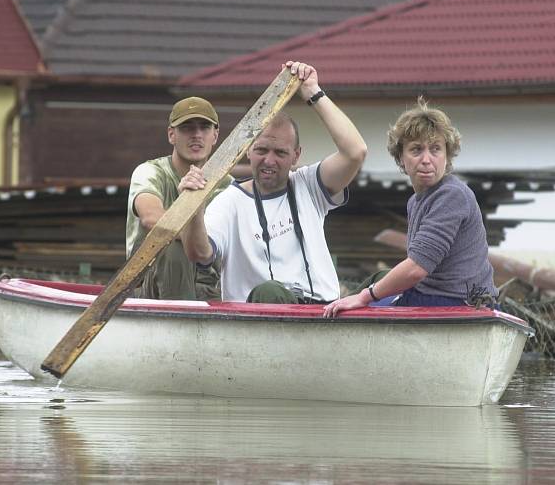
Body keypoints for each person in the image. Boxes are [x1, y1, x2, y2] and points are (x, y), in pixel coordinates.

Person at [179, 61, 367, 303]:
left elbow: (356, 152)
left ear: (296, 156)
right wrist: (193, 208)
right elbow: (199, 254)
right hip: (263, 315)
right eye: (262, 150)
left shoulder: (308, 185)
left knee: (384, 281)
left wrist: (313, 93)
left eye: (280, 153)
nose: (269, 160)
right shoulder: (230, 201)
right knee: (270, 291)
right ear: (247, 150)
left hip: (321, 311)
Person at [323, 97, 497, 317]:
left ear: (447, 155)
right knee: (373, 291)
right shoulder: (416, 201)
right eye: (416, 150)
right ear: (401, 157)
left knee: (361, 308)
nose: (426, 159)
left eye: (436, 149)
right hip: (436, 296)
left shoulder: (451, 195)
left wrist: (364, 296)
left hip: (459, 303)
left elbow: (416, 268)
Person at [126, 96, 231, 300]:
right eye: (187, 128)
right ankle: (176, 328)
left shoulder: (228, 186)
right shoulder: (150, 171)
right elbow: (151, 218)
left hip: (210, 289)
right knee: (173, 246)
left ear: (215, 135)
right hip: (153, 287)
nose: (196, 135)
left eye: (204, 127)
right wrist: (196, 234)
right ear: (171, 135)